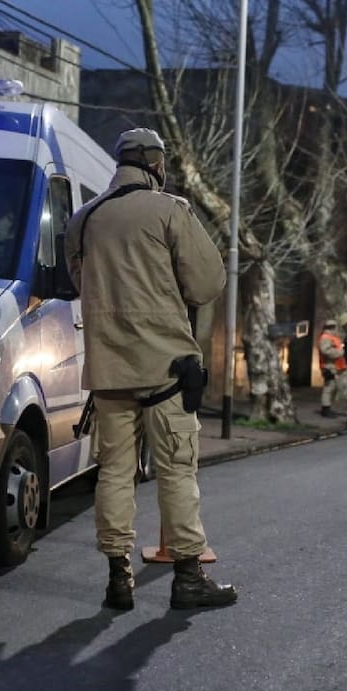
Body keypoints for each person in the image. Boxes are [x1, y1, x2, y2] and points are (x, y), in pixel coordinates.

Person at [65, 127, 238, 612]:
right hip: (167, 369)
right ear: (156, 164)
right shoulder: (171, 211)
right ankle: (187, 577)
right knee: (177, 471)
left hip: (108, 372)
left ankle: (118, 577)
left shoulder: (84, 219)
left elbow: (80, 281)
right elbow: (207, 283)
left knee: (115, 473)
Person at [316, 319, 347, 417]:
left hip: (335, 366)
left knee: (332, 388)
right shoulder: (325, 337)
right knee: (329, 388)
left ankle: (327, 407)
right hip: (329, 366)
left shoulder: (332, 337)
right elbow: (325, 351)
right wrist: (341, 352)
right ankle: (325, 409)